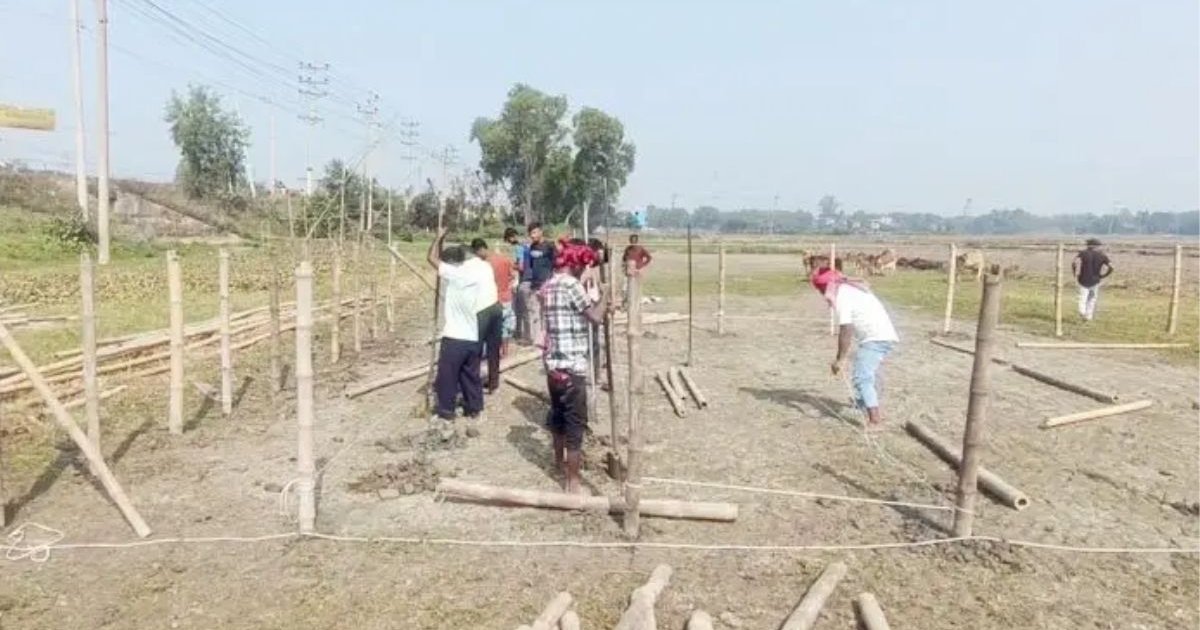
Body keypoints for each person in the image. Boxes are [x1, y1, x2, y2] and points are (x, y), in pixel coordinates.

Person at [539, 241, 608, 494]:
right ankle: (573, 482)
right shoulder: (572, 285)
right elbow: (596, 317)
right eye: (584, 266)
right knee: (575, 426)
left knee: (557, 417)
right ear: (576, 264)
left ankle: (558, 463)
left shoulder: (549, 284)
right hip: (572, 366)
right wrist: (606, 295)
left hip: (553, 364)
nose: (584, 271)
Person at [811, 266, 899, 430]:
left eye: (820, 290)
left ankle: (875, 420)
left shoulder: (843, 295)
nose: (821, 294)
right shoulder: (849, 288)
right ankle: (862, 403)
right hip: (881, 335)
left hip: (876, 337)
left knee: (862, 377)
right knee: (865, 372)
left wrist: (840, 359)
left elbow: (846, 329)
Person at [425, 229, 483, 423]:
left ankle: (446, 410)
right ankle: (473, 408)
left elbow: (431, 258)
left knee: (447, 376)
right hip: (473, 337)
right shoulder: (476, 274)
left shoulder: (456, 275)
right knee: (470, 375)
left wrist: (439, 236)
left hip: (455, 337)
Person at [467, 239, 502, 395]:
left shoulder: (467, 267)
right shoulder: (486, 265)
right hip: (495, 307)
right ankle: (493, 383)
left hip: (481, 310)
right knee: (493, 348)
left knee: (476, 348)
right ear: (480, 250)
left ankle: (473, 383)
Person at [522, 223, 557, 347]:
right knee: (535, 311)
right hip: (534, 283)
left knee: (547, 311)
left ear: (541, 232)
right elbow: (530, 265)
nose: (532, 236)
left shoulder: (550, 246)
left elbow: (555, 264)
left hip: (546, 283)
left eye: (534, 233)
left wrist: (551, 279)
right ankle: (537, 338)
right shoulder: (532, 247)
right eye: (530, 234)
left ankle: (549, 337)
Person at [1072, 238, 1113, 322]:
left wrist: (1075, 273)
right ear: (1097, 246)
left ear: (1089, 245)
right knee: (1092, 298)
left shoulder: (1083, 253)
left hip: (1083, 279)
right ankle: (1088, 316)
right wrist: (1104, 275)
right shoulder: (1102, 255)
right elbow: (1111, 267)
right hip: (1096, 279)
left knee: (1082, 297)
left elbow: (1074, 262)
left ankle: (1082, 312)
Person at [505, 227, 530, 343]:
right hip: (519, 280)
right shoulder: (522, 247)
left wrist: (509, 264)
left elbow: (520, 266)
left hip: (516, 280)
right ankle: (519, 333)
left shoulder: (518, 248)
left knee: (517, 310)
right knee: (519, 310)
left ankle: (521, 334)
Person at [622, 233, 652, 308]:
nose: (633, 243)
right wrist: (624, 266)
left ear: (637, 241)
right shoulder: (628, 249)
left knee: (636, 288)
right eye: (631, 241)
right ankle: (626, 303)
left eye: (634, 241)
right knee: (625, 288)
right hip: (629, 271)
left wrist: (642, 266)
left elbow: (649, 257)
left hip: (637, 271)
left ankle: (636, 304)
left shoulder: (640, 249)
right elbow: (624, 259)